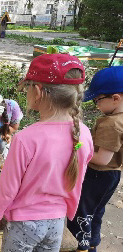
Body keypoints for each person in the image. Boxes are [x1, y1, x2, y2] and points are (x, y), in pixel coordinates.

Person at [0, 54, 94, 251]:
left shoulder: (25, 138)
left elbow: (7, 187)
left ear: (37, 91)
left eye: (28, 86)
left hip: (24, 223)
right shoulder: (84, 134)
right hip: (57, 222)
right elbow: (78, 179)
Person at [67, 66, 123, 252]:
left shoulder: (111, 124)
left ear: (115, 98)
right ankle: (92, 242)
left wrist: (78, 147)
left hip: (99, 175)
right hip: (112, 176)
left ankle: (81, 245)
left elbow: (101, 159)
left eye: (98, 100)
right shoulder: (117, 118)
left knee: (82, 211)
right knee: (96, 210)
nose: (96, 105)